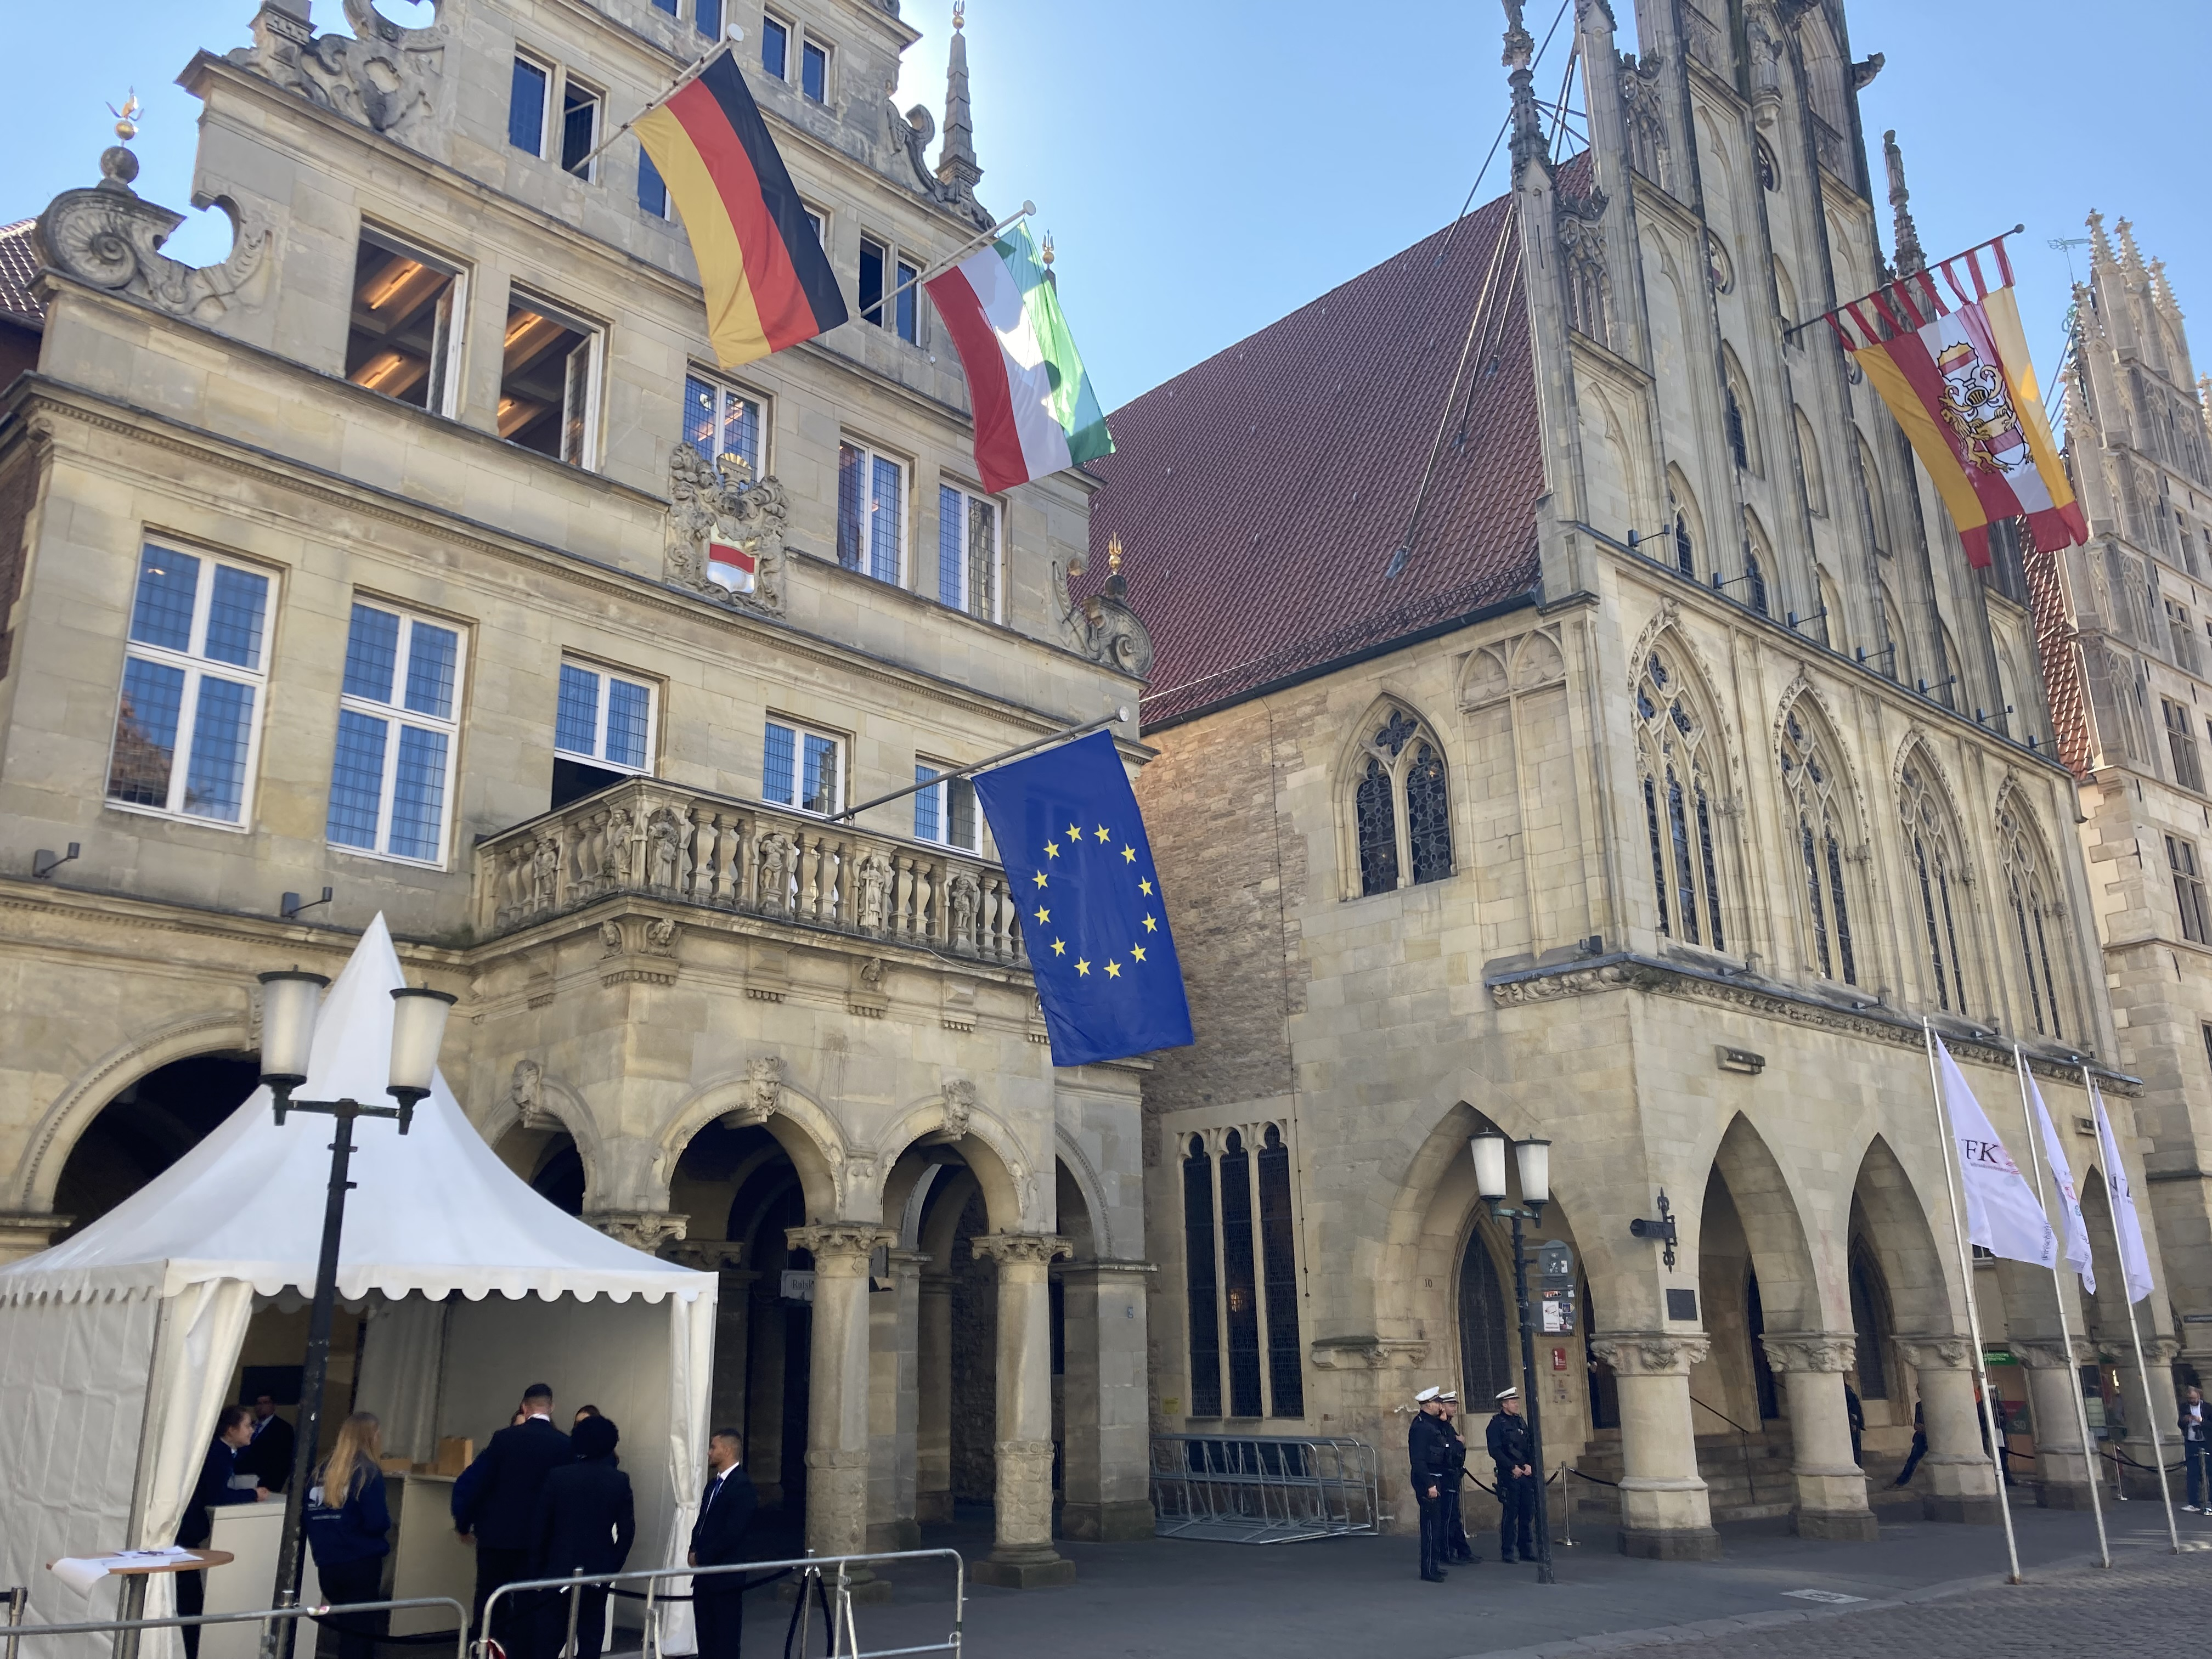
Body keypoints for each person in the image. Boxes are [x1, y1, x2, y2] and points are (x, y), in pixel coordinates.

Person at [454, 1383, 571, 1650]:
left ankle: (488, 1650)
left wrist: (464, 1522)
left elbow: (479, 1484)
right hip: (539, 1539)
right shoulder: (565, 1445)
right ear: (552, 1407)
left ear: (524, 1407)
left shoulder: (504, 1439)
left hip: (498, 1535)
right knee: (529, 1604)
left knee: (490, 1599)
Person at [532, 1415, 634, 1659]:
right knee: (590, 1641)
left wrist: (538, 1570)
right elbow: (627, 1532)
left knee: (548, 1641)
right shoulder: (619, 1480)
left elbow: (540, 1529)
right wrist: (611, 1568)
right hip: (597, 1571)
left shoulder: (558, 1477)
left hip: (558, 1569)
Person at [176, 1406, 272, 1659]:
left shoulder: (226, 1452)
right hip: (187, 1534)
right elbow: (217, 1495)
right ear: (230, 1430)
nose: (252, 1430)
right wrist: (252, 1494)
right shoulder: (218, 1454)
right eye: (247, 1425)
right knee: (189, 1599)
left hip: (190, 1534)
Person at [305, 1413, 393, 1659]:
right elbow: (377, 1522)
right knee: (360, 1634)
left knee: (346, 1628)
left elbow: (309, 1517)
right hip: (361, 1562)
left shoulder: (320, 1471)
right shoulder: (368, 1472)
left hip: (327, 1563)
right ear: (371, 1437)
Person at [689, 1429, 759, 1659]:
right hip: (705, 1576)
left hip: (726, 1576)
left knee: (725, 1638)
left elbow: (733, 1532)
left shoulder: (742, 1486)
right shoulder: (712, 1486)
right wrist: (693, 1547)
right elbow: (702, 1521)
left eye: (713, 1447)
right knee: (706, 1636)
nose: (709, 1452)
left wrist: (702, 1556)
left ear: (727, 1450)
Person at [1486, 1386, 1538, 1566]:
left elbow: (1529, 1445)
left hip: (1525, 1472)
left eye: (1516, 1402)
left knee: (1527, 1512)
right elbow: (1495, 1450)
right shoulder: (1496, 1424)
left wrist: (1530, 1464)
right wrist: (1512, 1467)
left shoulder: (1520, 1422)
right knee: (1511, 1513)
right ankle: (1508, 1550)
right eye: (1513, 1402)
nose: (1516, 1405)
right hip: (1509, 1474)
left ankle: (1526, 1549)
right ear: (1504, 1404)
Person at [1406, 1386, 1452, 1582]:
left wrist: (1444, 1421)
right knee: (1431, 1527)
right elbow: (1418, 1460)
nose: (1441, 1406)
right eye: (1438, 1403)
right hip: (1428, 1480)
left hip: (1437, 1477)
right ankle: (1428, 1570)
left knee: (1437, 1525)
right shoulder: (1421, 1427)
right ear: (1429, 1405)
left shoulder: (1433, 1424)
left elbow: (1446, 1441)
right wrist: (1429, 1484)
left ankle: (1434, 1565)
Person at [1437, 1391, 1477, 1565]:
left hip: (1453, 1475)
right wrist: (1460, 1442)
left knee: (1454, 1516)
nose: (1454, 1408)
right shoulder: (1441, 1427)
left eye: (1455, 1405)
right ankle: (1448, 1552)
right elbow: (1449, 1451)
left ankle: (1462, 1551)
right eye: (1451, 1405)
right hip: (1446, 1477)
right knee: (1448, 1517)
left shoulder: (1448, 1426)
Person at [241, 1393, 297, 1493]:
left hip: (266, 1484)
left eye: (265, 1403)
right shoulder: (251, 1426)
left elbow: (283, 1461)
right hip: (242, 1480)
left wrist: (272, 1485)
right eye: (258, 1403)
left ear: (273, 1406)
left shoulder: (283, 1428)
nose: (261, 1407)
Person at [2181, 1384, 2208, 1513]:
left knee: (2210, 1472)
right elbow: (2180, 1423)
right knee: (2192, 1474)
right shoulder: (2184, 1408)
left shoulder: (2207, 1408)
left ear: (2199, 1396)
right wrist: (2185, 1420)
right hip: (2191, 1443)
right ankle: (2194, 1503)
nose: (2192, 1401)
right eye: (2190, 1399)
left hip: (2206, 1443)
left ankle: (2210, 1501)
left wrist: (2201, 1421)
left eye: (2194, 1398)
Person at [1892, 1400, 1927, 1488]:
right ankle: (1901, 1482)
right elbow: (1916, 1423)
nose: (1919, 1393)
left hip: (1935, 1436)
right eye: (1918, 1392)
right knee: (1913, 1459)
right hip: (1922, 1436)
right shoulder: (1919, 1405)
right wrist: (1920, 1427)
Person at [1844, 1383, 1865, 1470]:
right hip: (1852, 1424)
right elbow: (1848, 1406)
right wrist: (1852, 1422)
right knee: (1854, 1448)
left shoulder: (1847, 1388)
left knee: (1857, 1448)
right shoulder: (1844, 1389)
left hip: (1856, 1423)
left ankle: (1858, 1467)